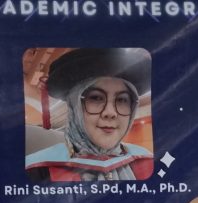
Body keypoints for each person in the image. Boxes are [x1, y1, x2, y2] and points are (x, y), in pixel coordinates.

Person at [25, 47, 154, 182]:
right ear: (74, 107)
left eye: (122, 100)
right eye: (96, 98)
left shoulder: (146, 162)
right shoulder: (36, 170)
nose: (110, 113)